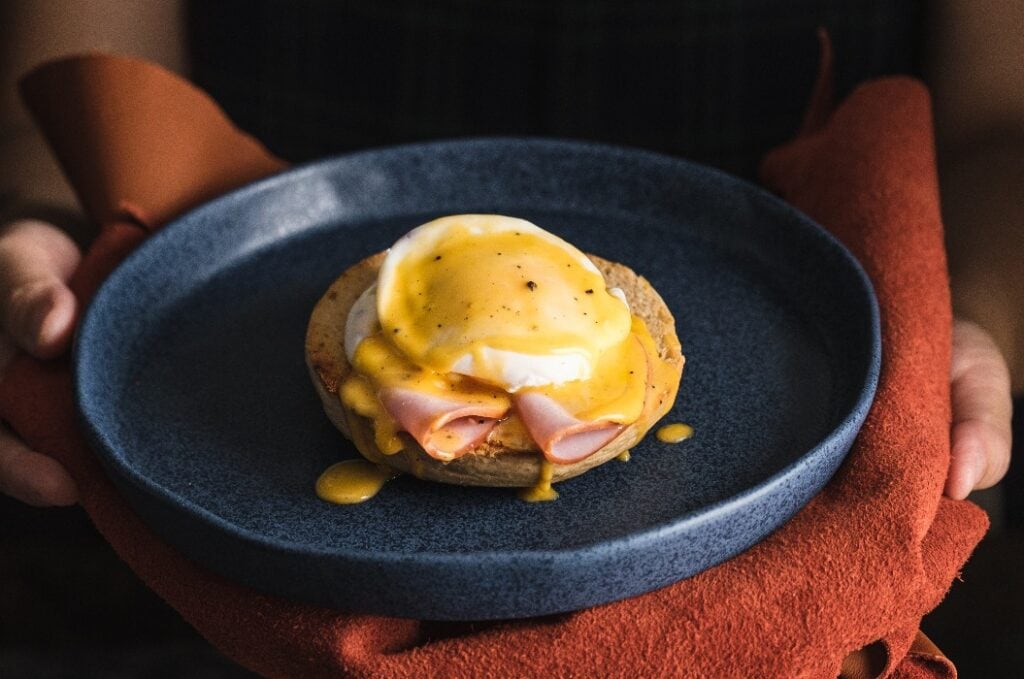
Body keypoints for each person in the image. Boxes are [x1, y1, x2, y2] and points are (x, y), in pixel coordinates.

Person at [0, 0, 1018, 510]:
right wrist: (50, 208)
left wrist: (972, 307)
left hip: (797, 295)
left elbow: (998, 121)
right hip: (240, 242)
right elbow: (88, 49)